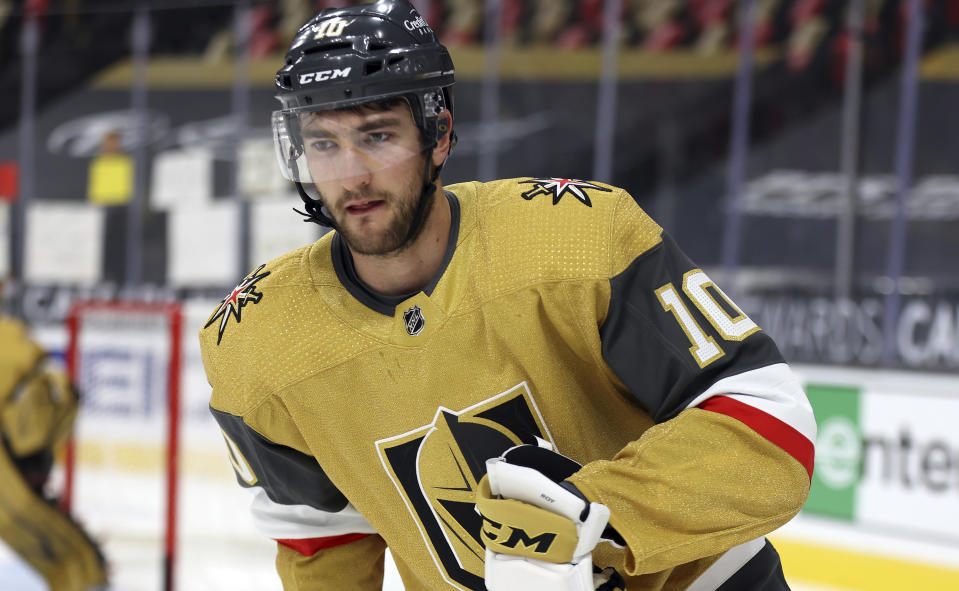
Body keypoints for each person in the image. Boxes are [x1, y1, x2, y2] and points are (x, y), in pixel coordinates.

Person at [200, 2, 816, 590]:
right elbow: (319, 537)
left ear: (437, 138)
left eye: (378, 135)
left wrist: (593, 512)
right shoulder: (259, 339)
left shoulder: (575, 236)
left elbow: (768, 420)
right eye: (325, 144)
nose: (352, 174)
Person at [0, 295, 108, 591]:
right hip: (16, 467)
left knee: (75, 564)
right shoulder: (12, 342)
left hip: (18, 465)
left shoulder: (12, 342)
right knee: (77, 564)